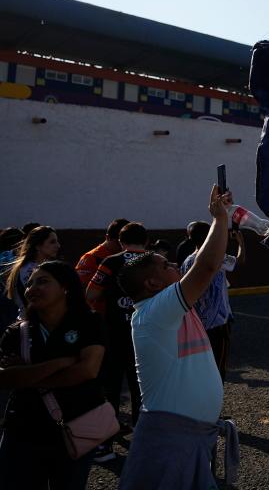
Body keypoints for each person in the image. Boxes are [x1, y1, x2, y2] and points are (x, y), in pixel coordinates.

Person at [115, 186, 238, 490]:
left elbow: (209, 265)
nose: (174, 266)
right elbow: (207, 266)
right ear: (152, 283)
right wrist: (219, 220)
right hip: (170, 441)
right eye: (166, 266)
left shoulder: (166, 308)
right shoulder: (156, 311)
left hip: (191, 436)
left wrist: (223, 221)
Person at [0, 261, 108, 489]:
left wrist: (28, 375)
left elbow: (88, 370)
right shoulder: (15, 332)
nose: (32, 288)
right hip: (23, 430)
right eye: (29, 284)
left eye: (43, 281)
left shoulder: (89, 322)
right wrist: (62, 362)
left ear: (65, 287)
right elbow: (6, 378)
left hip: (75, 426)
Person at [85, 222, 149, 462]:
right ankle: (144, 444)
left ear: (121, 242)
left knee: (110, 390)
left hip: (113, 335)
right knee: (143, 391)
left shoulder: (110, 262)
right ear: (147, 241)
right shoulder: (156, 263)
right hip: (147, 335)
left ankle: (104, 446)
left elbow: (91, 294)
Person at [181, 225, 245, 380]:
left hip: (197, 323)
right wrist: (241, 242)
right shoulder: (217, 257)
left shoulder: (187, 261)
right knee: (218, 368)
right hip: (218, 323)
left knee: (200, 368)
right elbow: (239, 261)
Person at [5, 226, 60, 315]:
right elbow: (37, 301)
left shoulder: (38, 268)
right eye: (52, 242)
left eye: (57, 241)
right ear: (38, 246)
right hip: (32, 323)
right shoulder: (30, 270)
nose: (58, 245)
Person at [74, 218, 129, 288]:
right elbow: (80, 287)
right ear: (108, 237)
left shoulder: (128, 254)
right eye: (119, 243)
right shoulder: (91, 258)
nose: (123, 247)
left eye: (127, 243)